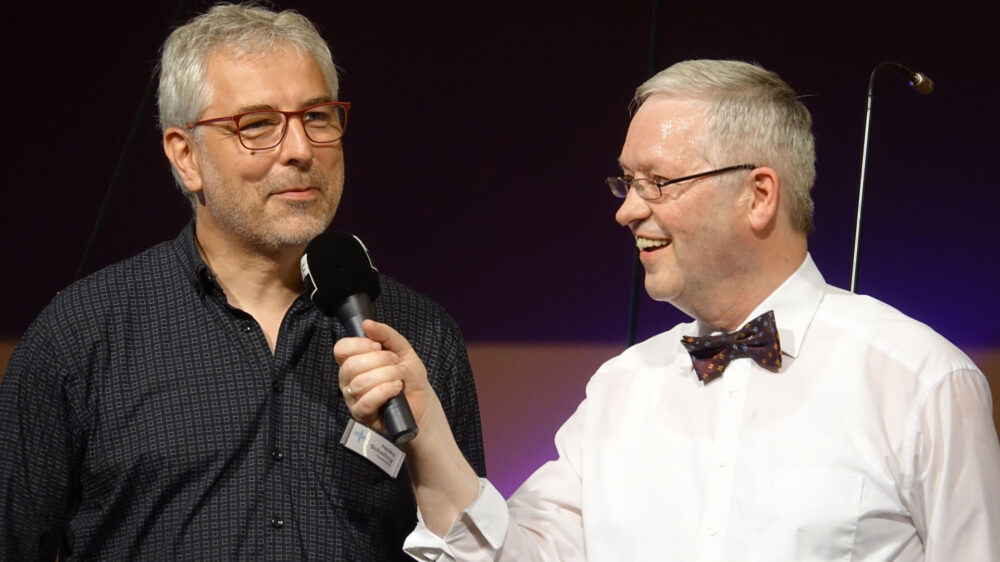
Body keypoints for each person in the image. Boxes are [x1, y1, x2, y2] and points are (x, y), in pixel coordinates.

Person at [335, 59, 1000, 560]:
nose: (627, 209)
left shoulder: (918, 380)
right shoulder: (624, 388)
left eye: (659, 182)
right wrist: (426, 436)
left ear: (759, 194)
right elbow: (509, 555)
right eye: (626, 183)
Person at [0, 4, 485, 560]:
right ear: (186, 157)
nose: (301, 150)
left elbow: (473, 547)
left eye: (318, 118)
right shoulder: (83, 334)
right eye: (257, 125)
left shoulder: (417, 334)